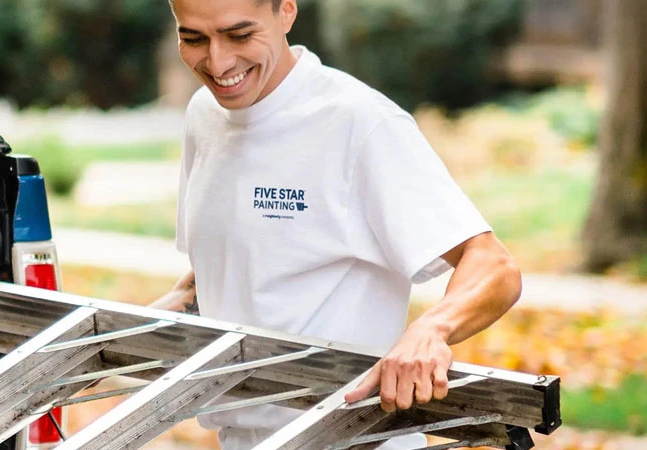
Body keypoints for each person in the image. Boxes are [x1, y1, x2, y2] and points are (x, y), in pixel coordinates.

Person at [146, 0, 524, 449]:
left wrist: (431, 330)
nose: (218, 61)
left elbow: (494, 266)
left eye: (240, 36)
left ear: (286, 11)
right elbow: (235, 261)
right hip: (241, 438)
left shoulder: (359, 123)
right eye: (193, 39)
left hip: (353, 439)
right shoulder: (203, 115)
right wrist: (165, 312)